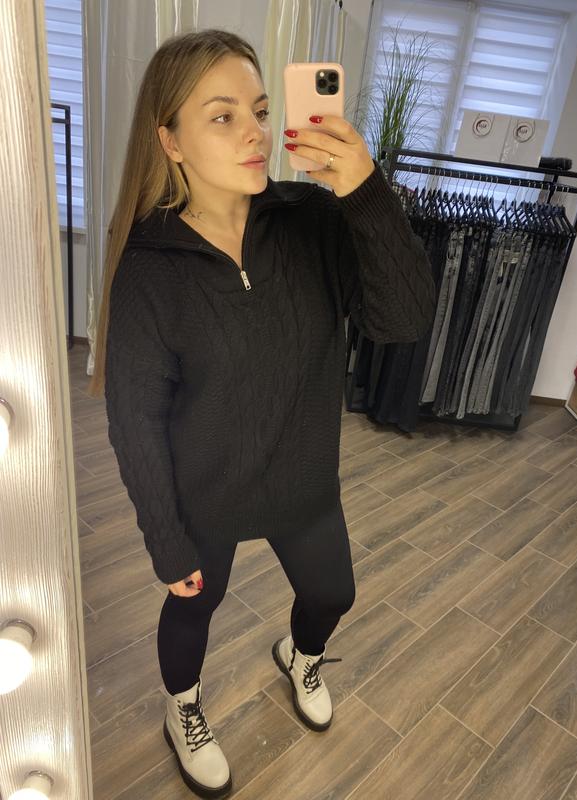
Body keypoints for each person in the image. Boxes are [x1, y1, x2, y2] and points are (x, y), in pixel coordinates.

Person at [87, 28, 436, 800]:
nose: (255, 132)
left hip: (303, 480)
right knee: (192, 610)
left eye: (261, 109)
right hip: (204, 494)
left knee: (334, 594)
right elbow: (135, 418)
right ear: (169, 140)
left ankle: (300, 656)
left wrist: (366, 194)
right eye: (222, 116)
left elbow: (405, 321)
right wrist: (165, 539)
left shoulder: (314, 221)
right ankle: (183, 707)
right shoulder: (149, 264)